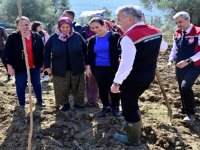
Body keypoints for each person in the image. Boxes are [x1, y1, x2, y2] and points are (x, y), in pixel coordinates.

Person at [110, 5, 168, 145]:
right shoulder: (155, 31)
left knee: (129, 106)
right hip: (148, 76)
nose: (118, 23)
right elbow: (164, 48)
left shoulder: (128, 37)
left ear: (130, 19)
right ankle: (134, 126)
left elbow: (126, 64)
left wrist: (117, 82)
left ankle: (133, 139)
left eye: (120, 19)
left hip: (132, 79)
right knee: (133, 102)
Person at [44, 17, 88, 111]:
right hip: (59, 67)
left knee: (78, 86)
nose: (65, 29)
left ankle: (78, 103)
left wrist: (86, 62)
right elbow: (46, 52)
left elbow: (85, 49)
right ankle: (64, 104)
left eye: (67, 27)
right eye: (63, 27)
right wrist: (47, 66)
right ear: (59, 27)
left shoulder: (77, 36)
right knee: (61, 87)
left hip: (77, 66)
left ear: (71, 27)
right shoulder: (53, 38)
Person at [3, 16, 45, 107]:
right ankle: (22, 103)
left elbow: (42, 50)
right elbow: (6, 54)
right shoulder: (13, 37)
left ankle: (40, 100)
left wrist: (43, 63)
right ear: (17, 26)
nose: (24, 27)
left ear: (29, 24)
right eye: (21, 25)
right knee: (21, 84)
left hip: (34, 65)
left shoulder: (36, 36)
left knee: (37, 83)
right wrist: (9, 67)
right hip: (20, 66)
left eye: (26, 24)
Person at [166, 11, 200, 123]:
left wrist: (188, 61)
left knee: (185, 86)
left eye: (180, 22)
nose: (178, 24)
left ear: (188, 19)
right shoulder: (177, 33)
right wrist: (171, 60)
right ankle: (184, 108)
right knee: (181, 87)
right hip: (180, 65)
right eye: (176, 23)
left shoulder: (198, 32)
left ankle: (191, 114)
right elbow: (175, 49)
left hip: (194, 66)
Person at [86, 17, 121, 117]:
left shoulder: (114, 36)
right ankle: (106, 106)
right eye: (92, 28)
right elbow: (89, 55)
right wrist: (88, 66)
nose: (95, 30)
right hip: (98, 68)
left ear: (104, 25)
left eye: (97, 27)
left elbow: (121, 50)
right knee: (102, 88)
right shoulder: (92, 40)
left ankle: (115, 107)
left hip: (112, 67)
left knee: (113, 87)